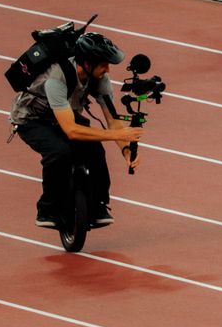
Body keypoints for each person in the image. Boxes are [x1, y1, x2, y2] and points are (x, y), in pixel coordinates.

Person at [10, 30, 140, 230]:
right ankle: (47, 209)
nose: (108, 69)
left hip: (64, 112)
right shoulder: (56, 78)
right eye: (104, 63)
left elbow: (113, 122)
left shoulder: (100, 78)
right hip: (32, 119)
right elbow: (71, 130)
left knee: (95, 150)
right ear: (87, 63)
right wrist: (116, 135)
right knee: (59, 152)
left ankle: (98, 206)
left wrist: (127, 152)